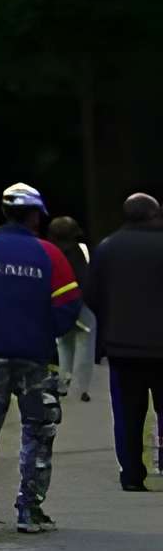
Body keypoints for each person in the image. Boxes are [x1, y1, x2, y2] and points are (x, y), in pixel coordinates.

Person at [0, 182, 87, 535]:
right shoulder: (50, 255)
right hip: (35, 359)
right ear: (36, 216)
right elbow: (68, 306)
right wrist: (41, 331)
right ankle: (29, 510)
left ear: (5, 212)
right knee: (38, 432)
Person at [92, 191, 163, 494]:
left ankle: (132, 475)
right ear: (154, 214)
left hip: (122, 347)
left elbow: (92, 294)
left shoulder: (108, 247)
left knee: (127, 413)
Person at [52, 213, 99, 402]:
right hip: (80, 303)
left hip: (57, 303)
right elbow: (87, 277)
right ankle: (80, 389)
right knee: (85, 341)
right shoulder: (82, 250)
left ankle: (64, 381)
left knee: (63, 342)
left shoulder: (49, 252)